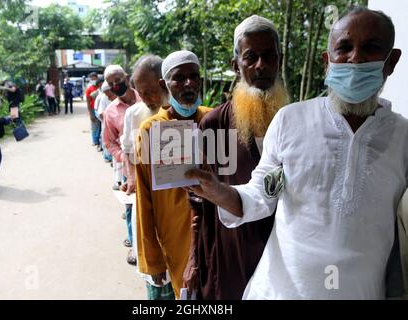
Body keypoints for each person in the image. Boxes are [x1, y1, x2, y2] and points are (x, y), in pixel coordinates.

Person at [185, 7, 406, 300]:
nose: (356, 59)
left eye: (371, 48)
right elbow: (263, 193)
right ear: (328, 62)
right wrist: (220, 193)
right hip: (279, 290)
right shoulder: (290, 120)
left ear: (391, 62)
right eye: (344, 48)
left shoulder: (403, 137)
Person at [183, 15, 289, 300]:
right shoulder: (215, 124)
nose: (261, 65)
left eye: (269, 56)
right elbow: (200, 204)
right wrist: (195, 258)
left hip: (284, 248)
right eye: (251, 57)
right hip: (232, 250)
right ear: (236, 65)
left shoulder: (296, 122)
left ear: (280, 60)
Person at [135, 50, 211, 299]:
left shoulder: (215, 120)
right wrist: (152, 259)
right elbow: (143, 201)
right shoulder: (150, 130)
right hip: (176, 239)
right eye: (179, 78)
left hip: (216, 233)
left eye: (194, 76)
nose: (189, 83)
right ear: (163, 84)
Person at [121, 54, 174, 299]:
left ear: (164, 84)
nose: (146, 98)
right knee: (155, 281)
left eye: (150, 91)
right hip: (146, 203)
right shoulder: (134, 114)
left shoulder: (184, 112)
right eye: (140, 93)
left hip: (176, 211)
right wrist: (132, 179)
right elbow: (129, 153)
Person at [102, 64, 142, 265]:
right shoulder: (110, 111)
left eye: (119, 80)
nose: (116, 85)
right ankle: (135, 247)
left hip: (157, 165)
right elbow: (109, 141)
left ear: (127, 77)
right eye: (111, 84)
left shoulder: (147, 96)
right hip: (131, 169)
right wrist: (123, 158)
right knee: (131, 207)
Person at [96, 81, 115, 163]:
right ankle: (108, 157)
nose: (109, 97)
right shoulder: (104, 97)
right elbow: (100, 112)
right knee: (107, 139)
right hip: (108, 123)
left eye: (109, 95)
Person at [86, 72, 101, 147]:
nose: (93, 80)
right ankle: (95, 141)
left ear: (97, 78)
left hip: (100, 108)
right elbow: (88, 102)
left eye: (94, 78)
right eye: (91, 79)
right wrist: (90, 114)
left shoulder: (100, 87)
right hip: (93, 109)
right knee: (95, 126)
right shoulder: (89, 89)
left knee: (101, 126)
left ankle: (99, 141)